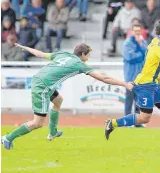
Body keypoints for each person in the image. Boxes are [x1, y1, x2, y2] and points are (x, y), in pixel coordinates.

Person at [1, 43, 133, 150]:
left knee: (58, 100)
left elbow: (40, 54)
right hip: (42, 87)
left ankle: (52, 132)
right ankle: (8, 138)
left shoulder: (63, 54)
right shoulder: (79, 64)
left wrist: (25, 47)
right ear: (82, 55)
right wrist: (124, 84)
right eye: (88, 55)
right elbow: (104, 78)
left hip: (43, 82)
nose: (88, 58)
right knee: (37, 123)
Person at [104, 19, 160, 151]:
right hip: (145, 85)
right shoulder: (158, 44)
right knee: (144, 118)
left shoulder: (156, 41)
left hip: (154, 84)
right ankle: (112, 123)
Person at [122, 24, 148, 127]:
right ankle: (127, 121)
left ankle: (137, 122)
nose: (137, 33)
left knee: (139, 100)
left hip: (141, 77)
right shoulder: (127, 43)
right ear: (132, 32)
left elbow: (148, 55)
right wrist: (141, 54)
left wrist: (140, 46)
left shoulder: (143, 42)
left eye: (139, 31)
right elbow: (130, 57)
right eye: (135, 31)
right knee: (129, 100)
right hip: (130, 76)